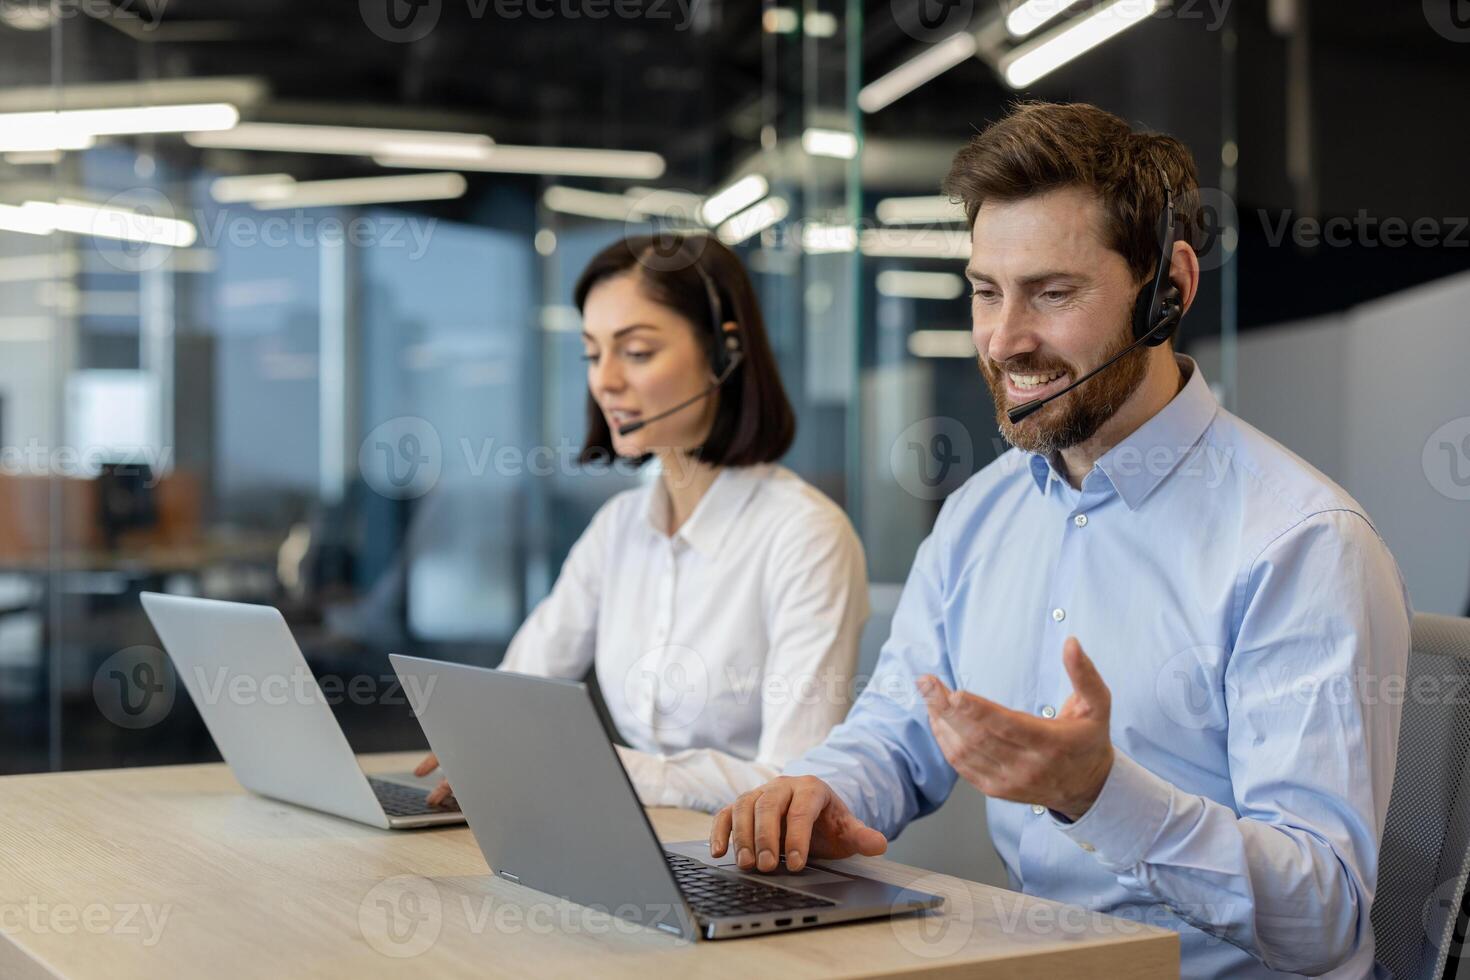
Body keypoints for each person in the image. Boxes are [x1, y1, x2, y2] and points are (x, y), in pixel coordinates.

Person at [710, 101, 1411, 979]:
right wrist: (819, 793)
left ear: (1170, 289)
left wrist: (1100, 794)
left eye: (1053, 292)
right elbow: (898, 729)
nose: (1005, 342)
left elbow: (1324, 918)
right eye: (985, 291)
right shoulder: (979, 514)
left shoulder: (1301, 542)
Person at [417, 233, 869, 813]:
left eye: (635, 352)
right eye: (592, 353)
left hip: (748, 865)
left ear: (724, 354)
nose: (604, 380)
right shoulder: (619, 527)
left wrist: (600, 768)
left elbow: (790, 780)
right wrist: (480, 741)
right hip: (635, 839)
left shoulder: (805, 536)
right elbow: (519, 688)